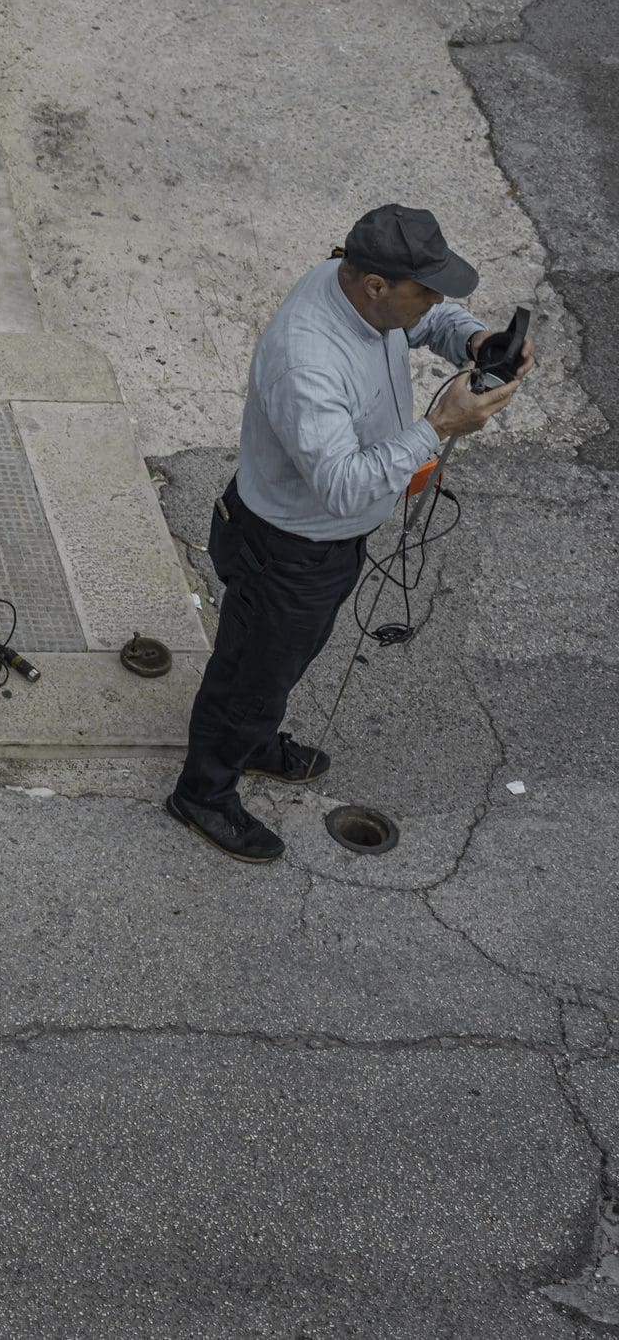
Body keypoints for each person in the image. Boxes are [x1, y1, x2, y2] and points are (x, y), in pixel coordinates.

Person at [168, 203, 536, 863]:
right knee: (250, 676)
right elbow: (341, 484)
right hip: (288, 550)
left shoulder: (365, 290)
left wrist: (475, 341)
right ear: (374, 284)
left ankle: (252, 740)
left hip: (322, 545)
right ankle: (204, 790)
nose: (434, 302)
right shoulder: (308, 360)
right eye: (425, 290)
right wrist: (438, 427)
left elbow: (426, 320)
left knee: (281, 662)